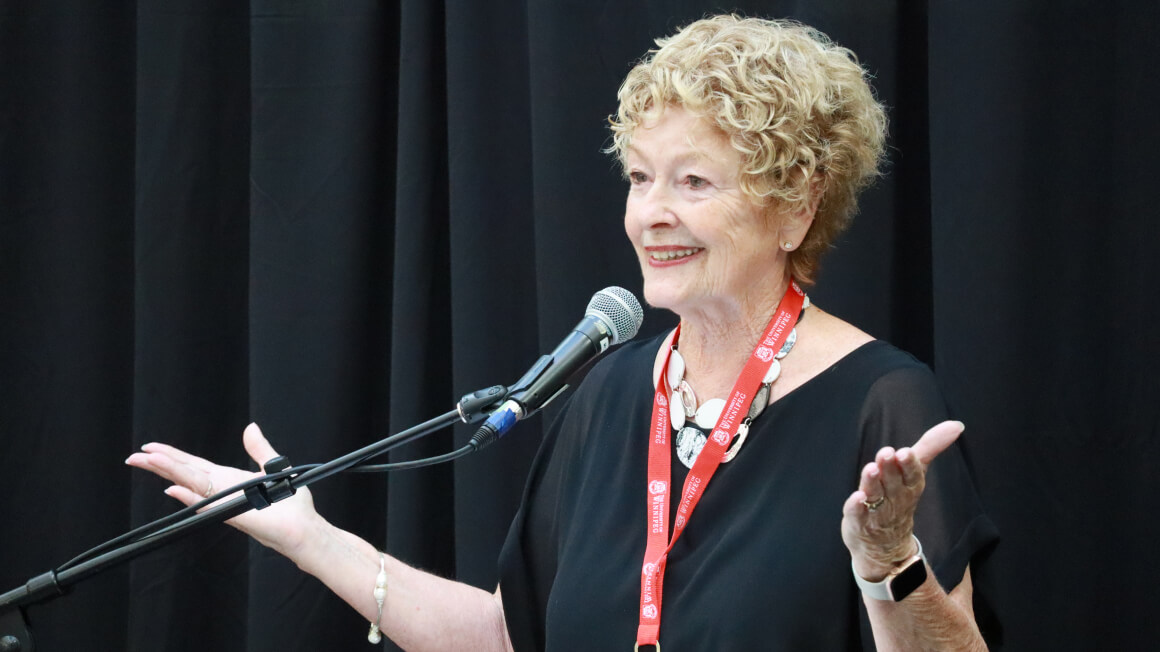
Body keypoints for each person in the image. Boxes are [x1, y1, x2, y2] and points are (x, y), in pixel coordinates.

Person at [127, 15, 996, 651]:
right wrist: (313, 540)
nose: (652, 214)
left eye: (694, 182)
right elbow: (510, 637)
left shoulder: (883, 405)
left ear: (796, 210)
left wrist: (889, 565)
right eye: (640, 177)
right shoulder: (614, 394)